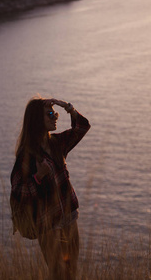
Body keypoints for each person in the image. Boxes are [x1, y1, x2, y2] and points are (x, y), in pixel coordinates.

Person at [10, 97, 90, 279]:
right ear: (37, 120)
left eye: (56, 113)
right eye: (50, 114)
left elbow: (82, 127)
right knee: (58, 273)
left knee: (71, 271)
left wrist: (69, 108)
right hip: (48, 224)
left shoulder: (56, 143)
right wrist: (38, 177)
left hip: (69, 217)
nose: (56, 117)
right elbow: (18, 191)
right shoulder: (27, 156)